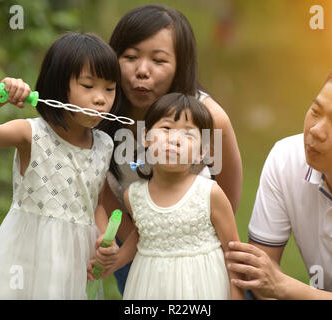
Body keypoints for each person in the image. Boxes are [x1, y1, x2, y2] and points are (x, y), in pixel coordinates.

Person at [0, 32, 120, 299]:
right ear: (58, 85)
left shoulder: (105, 145)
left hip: (75, 265)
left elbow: (96, 202)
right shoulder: (31, 134)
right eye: (88, 86)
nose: (101, 98)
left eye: (109, 89)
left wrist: (104, 238)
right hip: (26, 259)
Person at [98, 4, 243, 296]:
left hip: (197, 257)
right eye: (129, 57)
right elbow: (99, 189)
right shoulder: (99, 112)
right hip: (135, 250)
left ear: (180, 65)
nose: (142, 71)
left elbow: (227, 199)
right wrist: (142, 245)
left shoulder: (209, 119)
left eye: (159, 60)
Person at [226, 59, 332, 299]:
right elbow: (261, 277)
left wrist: (285, 287)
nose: (315, 130)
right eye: (315, 112)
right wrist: (275, 286)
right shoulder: (286, 158)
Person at [91, 93, 243, 299]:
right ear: (145, 137)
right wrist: (113, 263)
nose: (175, 139)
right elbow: (143, 236)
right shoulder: (133, 196)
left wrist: (237, 295)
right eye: (166, 128)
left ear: (203, 151)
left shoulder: (209, 193)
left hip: (201, 286)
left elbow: (233, 251)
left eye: (189, 135)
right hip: (151, 285)